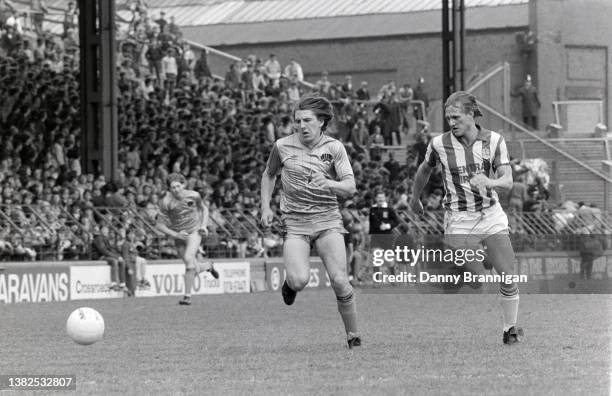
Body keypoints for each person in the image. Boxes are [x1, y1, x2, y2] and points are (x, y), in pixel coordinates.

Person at [409, 91, 524, 345]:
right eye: (449, 118)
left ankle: (510, 328)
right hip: (458, 218)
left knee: (507, 274)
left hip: (489, 214)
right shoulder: (439, 144)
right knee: (476, 280)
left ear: (471, 114)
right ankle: (481, 259)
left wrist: (490, 181)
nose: (451, 122)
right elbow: (424, 170)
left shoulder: (494, 141)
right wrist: (415, 197)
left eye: (456, 117)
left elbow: (507, 180)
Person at [260, 95, 361, 348]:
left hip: (328, 220)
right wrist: (265, 207)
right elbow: (269, 175)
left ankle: (353, 336)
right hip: (294, 222)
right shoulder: (282, 146)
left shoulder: (335, 148)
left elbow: (350, 187)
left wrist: (329, 183)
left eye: (307, 120)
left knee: (340, 280)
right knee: (299, 281)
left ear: (322, 122)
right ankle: (289, 285)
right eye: (297, 121)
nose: (301, 126)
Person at [156, 173, 218, 305]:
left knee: (189, 257)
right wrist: (176, 235)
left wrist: (204, 226)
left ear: (183, 184)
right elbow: (159, 225)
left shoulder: (194, 195)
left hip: (194, 231)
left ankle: (187, 297)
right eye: (173, 187)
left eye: (178, 186)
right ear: (169, 189)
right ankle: (208, 266)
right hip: (179, 235)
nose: (176, 189)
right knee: (191, 266)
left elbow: (204, 209)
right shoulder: (166, 202)